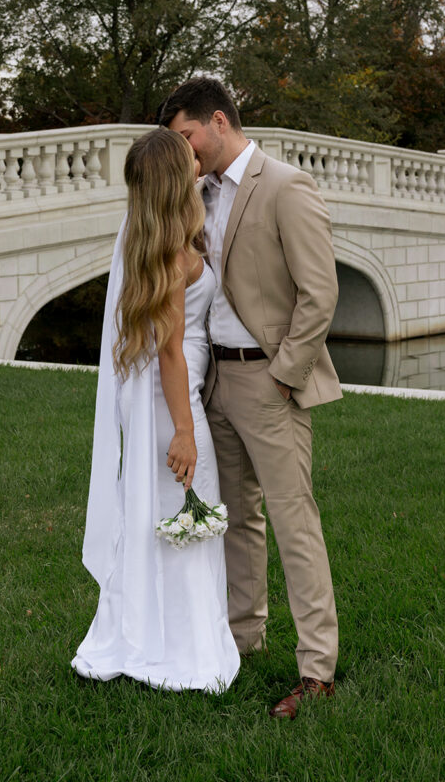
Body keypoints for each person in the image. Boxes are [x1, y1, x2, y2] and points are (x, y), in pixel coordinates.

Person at [158, 76, 342, 719]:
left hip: (270, 381)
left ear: (217, 120)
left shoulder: (286, 188)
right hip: (216, 384)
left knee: (295, 524)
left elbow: (320, 294)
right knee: (236, 521)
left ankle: (317, 669)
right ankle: (243, 641)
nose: (184, 153)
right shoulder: (196, 194)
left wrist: (284, 374)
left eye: (186, 138)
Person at [72, 127, 240, 692]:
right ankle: (185, 647)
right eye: (189, 157)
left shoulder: (150, 232)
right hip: (173, 394)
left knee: (152, 511)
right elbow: (170, 349)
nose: (198, 159)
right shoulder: (172, 248)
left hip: (145, 394)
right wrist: (186, 432)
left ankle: (146, 627)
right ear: (176, 175)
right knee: (188, 506)